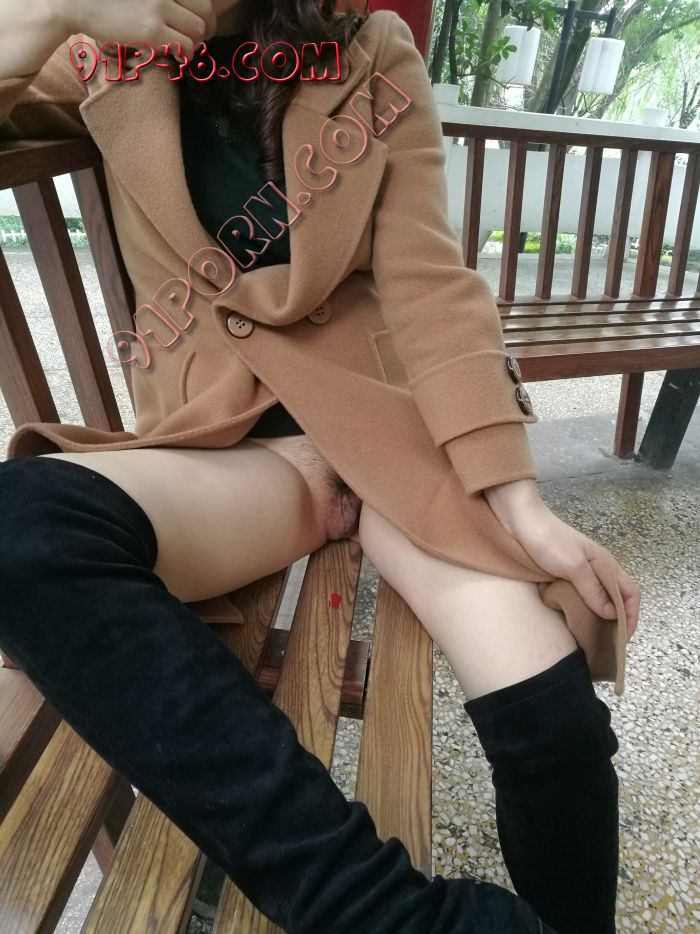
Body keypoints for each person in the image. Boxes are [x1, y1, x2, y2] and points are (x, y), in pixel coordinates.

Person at [0, 1, 640, 932]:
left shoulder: (371, 51)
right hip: (236, 453)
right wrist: (47, 14)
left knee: (556, 724)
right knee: (23, 528)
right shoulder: (103, 52)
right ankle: (373, 912)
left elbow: (431, 282)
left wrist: (520, 500)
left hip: (385, 439)